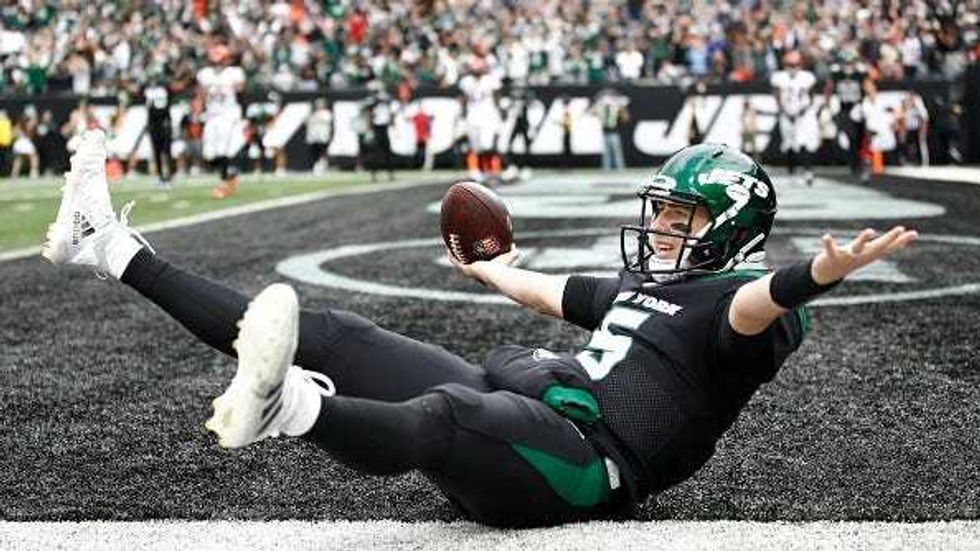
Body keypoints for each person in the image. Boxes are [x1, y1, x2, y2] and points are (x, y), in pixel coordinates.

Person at [42, 130, 917, 528]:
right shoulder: (645, 284)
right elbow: (548, 292)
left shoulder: (740, 308)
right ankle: (109, 246)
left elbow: (758, 302)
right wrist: (488, 269)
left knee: (449, 414)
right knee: (338, 332)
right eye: (659, 211)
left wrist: (816, 275)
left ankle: (290, 412)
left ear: (728, 231)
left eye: (679, 217)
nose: (658, 228)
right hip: (535, 408)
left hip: (584, 466)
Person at [197, 45, 245, 199]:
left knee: (223, 149)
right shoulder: (205, 74)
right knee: (209, 154)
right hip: (211, 115)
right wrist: (198, 110)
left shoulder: (234, 73)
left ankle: (225, 182)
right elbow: (201, 95)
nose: (217, 63)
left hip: (228, 114)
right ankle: (231, 174)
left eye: (221, 60)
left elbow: (241, 90)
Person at [771, 50, 819, 186]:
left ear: (800, 64)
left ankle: (808, 171)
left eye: (795, 64)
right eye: (790, 65)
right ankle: (791, 172)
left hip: (803, 113)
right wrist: (784, 111)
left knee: (804, 141)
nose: (793, 68)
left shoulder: (807, 77)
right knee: (789, 143)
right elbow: (777, 95)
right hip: (787, 113)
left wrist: (802, 111)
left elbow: (812, 95)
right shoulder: (779, 77)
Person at [305, 98, 333, 175]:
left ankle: (323, 166)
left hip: (323, 136)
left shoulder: (327, 113)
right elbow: (307, 122)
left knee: (323, 152)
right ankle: (316, 166)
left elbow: (326, 120)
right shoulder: (312, 113)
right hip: (313, 137)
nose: (319, 106)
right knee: (314, 153)